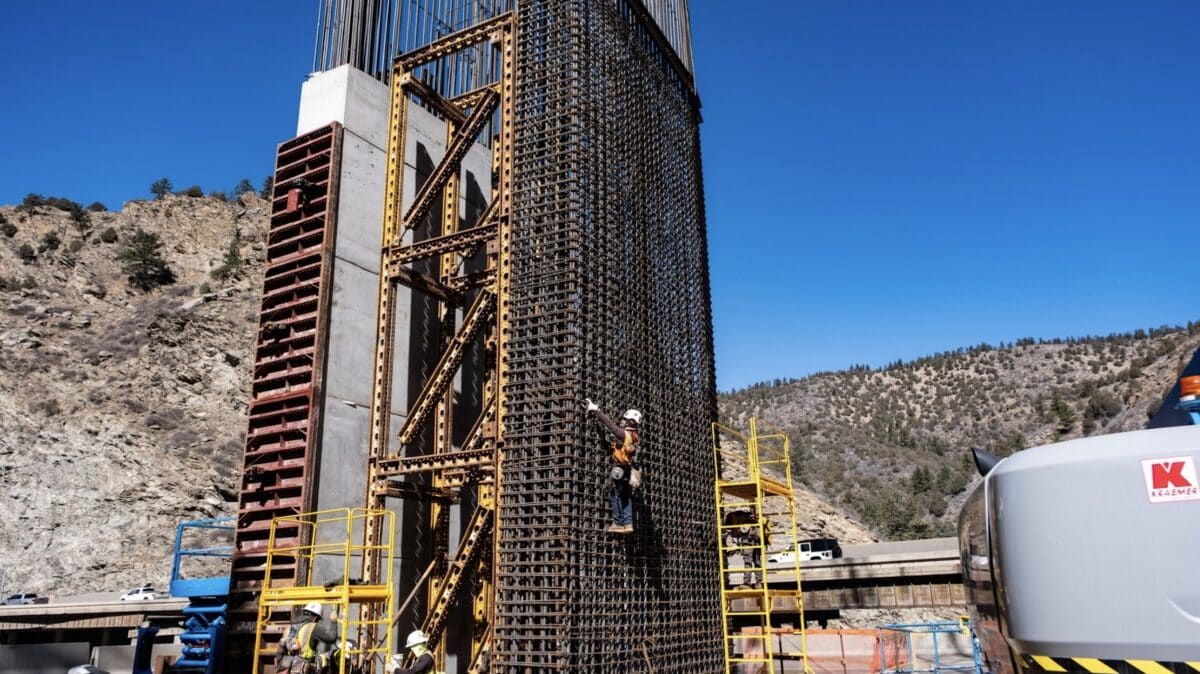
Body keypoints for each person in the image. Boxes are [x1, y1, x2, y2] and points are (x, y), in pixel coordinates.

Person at [585, 398, 641, 534]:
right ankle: (628, 524)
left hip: (619, 468)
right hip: (628, 469)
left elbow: (610, 426)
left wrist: (596, 410)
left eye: (624, 419)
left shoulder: (624, 434)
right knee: (626, 496)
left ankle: (618, 522)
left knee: (614, 494)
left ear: (629, 421)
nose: (621, 421)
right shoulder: (635, 437)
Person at [276, 601, 339, 673]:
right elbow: (331, 638)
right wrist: (333, 621)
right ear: (315, 618)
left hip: (287, 665)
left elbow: (281, 647)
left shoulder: (290, 627)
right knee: (327, 658)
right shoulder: (313, 626)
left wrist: (280, 663)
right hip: (302, 668)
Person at [724, 509, 767, 588]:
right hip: (756, 539)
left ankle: (747, 582)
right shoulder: (751, 524)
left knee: (748, 562)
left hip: (748, 540)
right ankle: (760, 582)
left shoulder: (735, 520)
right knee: (757, 561)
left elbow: (735, 531)